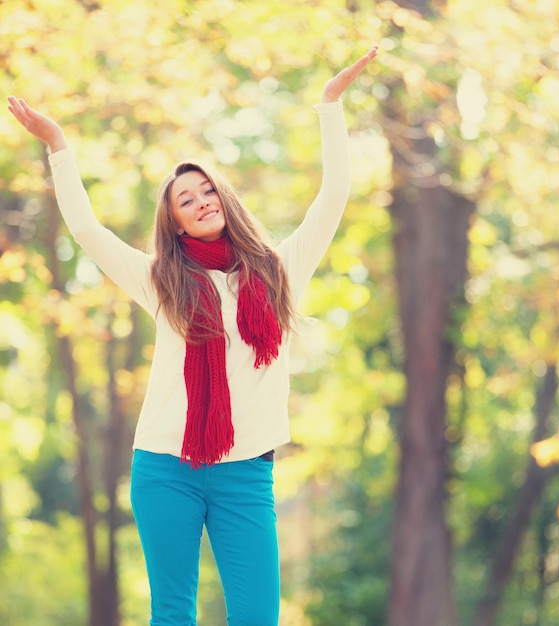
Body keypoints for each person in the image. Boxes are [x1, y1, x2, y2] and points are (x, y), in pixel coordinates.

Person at [8, 45, 377, 626]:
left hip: (246, 471)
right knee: (172, 613)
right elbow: (86, 229)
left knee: (257, 617)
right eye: (187, 199)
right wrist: (59, 147)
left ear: (224, 200)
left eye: (208, 192)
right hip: (165, 467)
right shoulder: (161, 282)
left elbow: (332, 198)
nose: (202, 202)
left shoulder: (279, 272)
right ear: (174, 221)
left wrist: (329, 105)